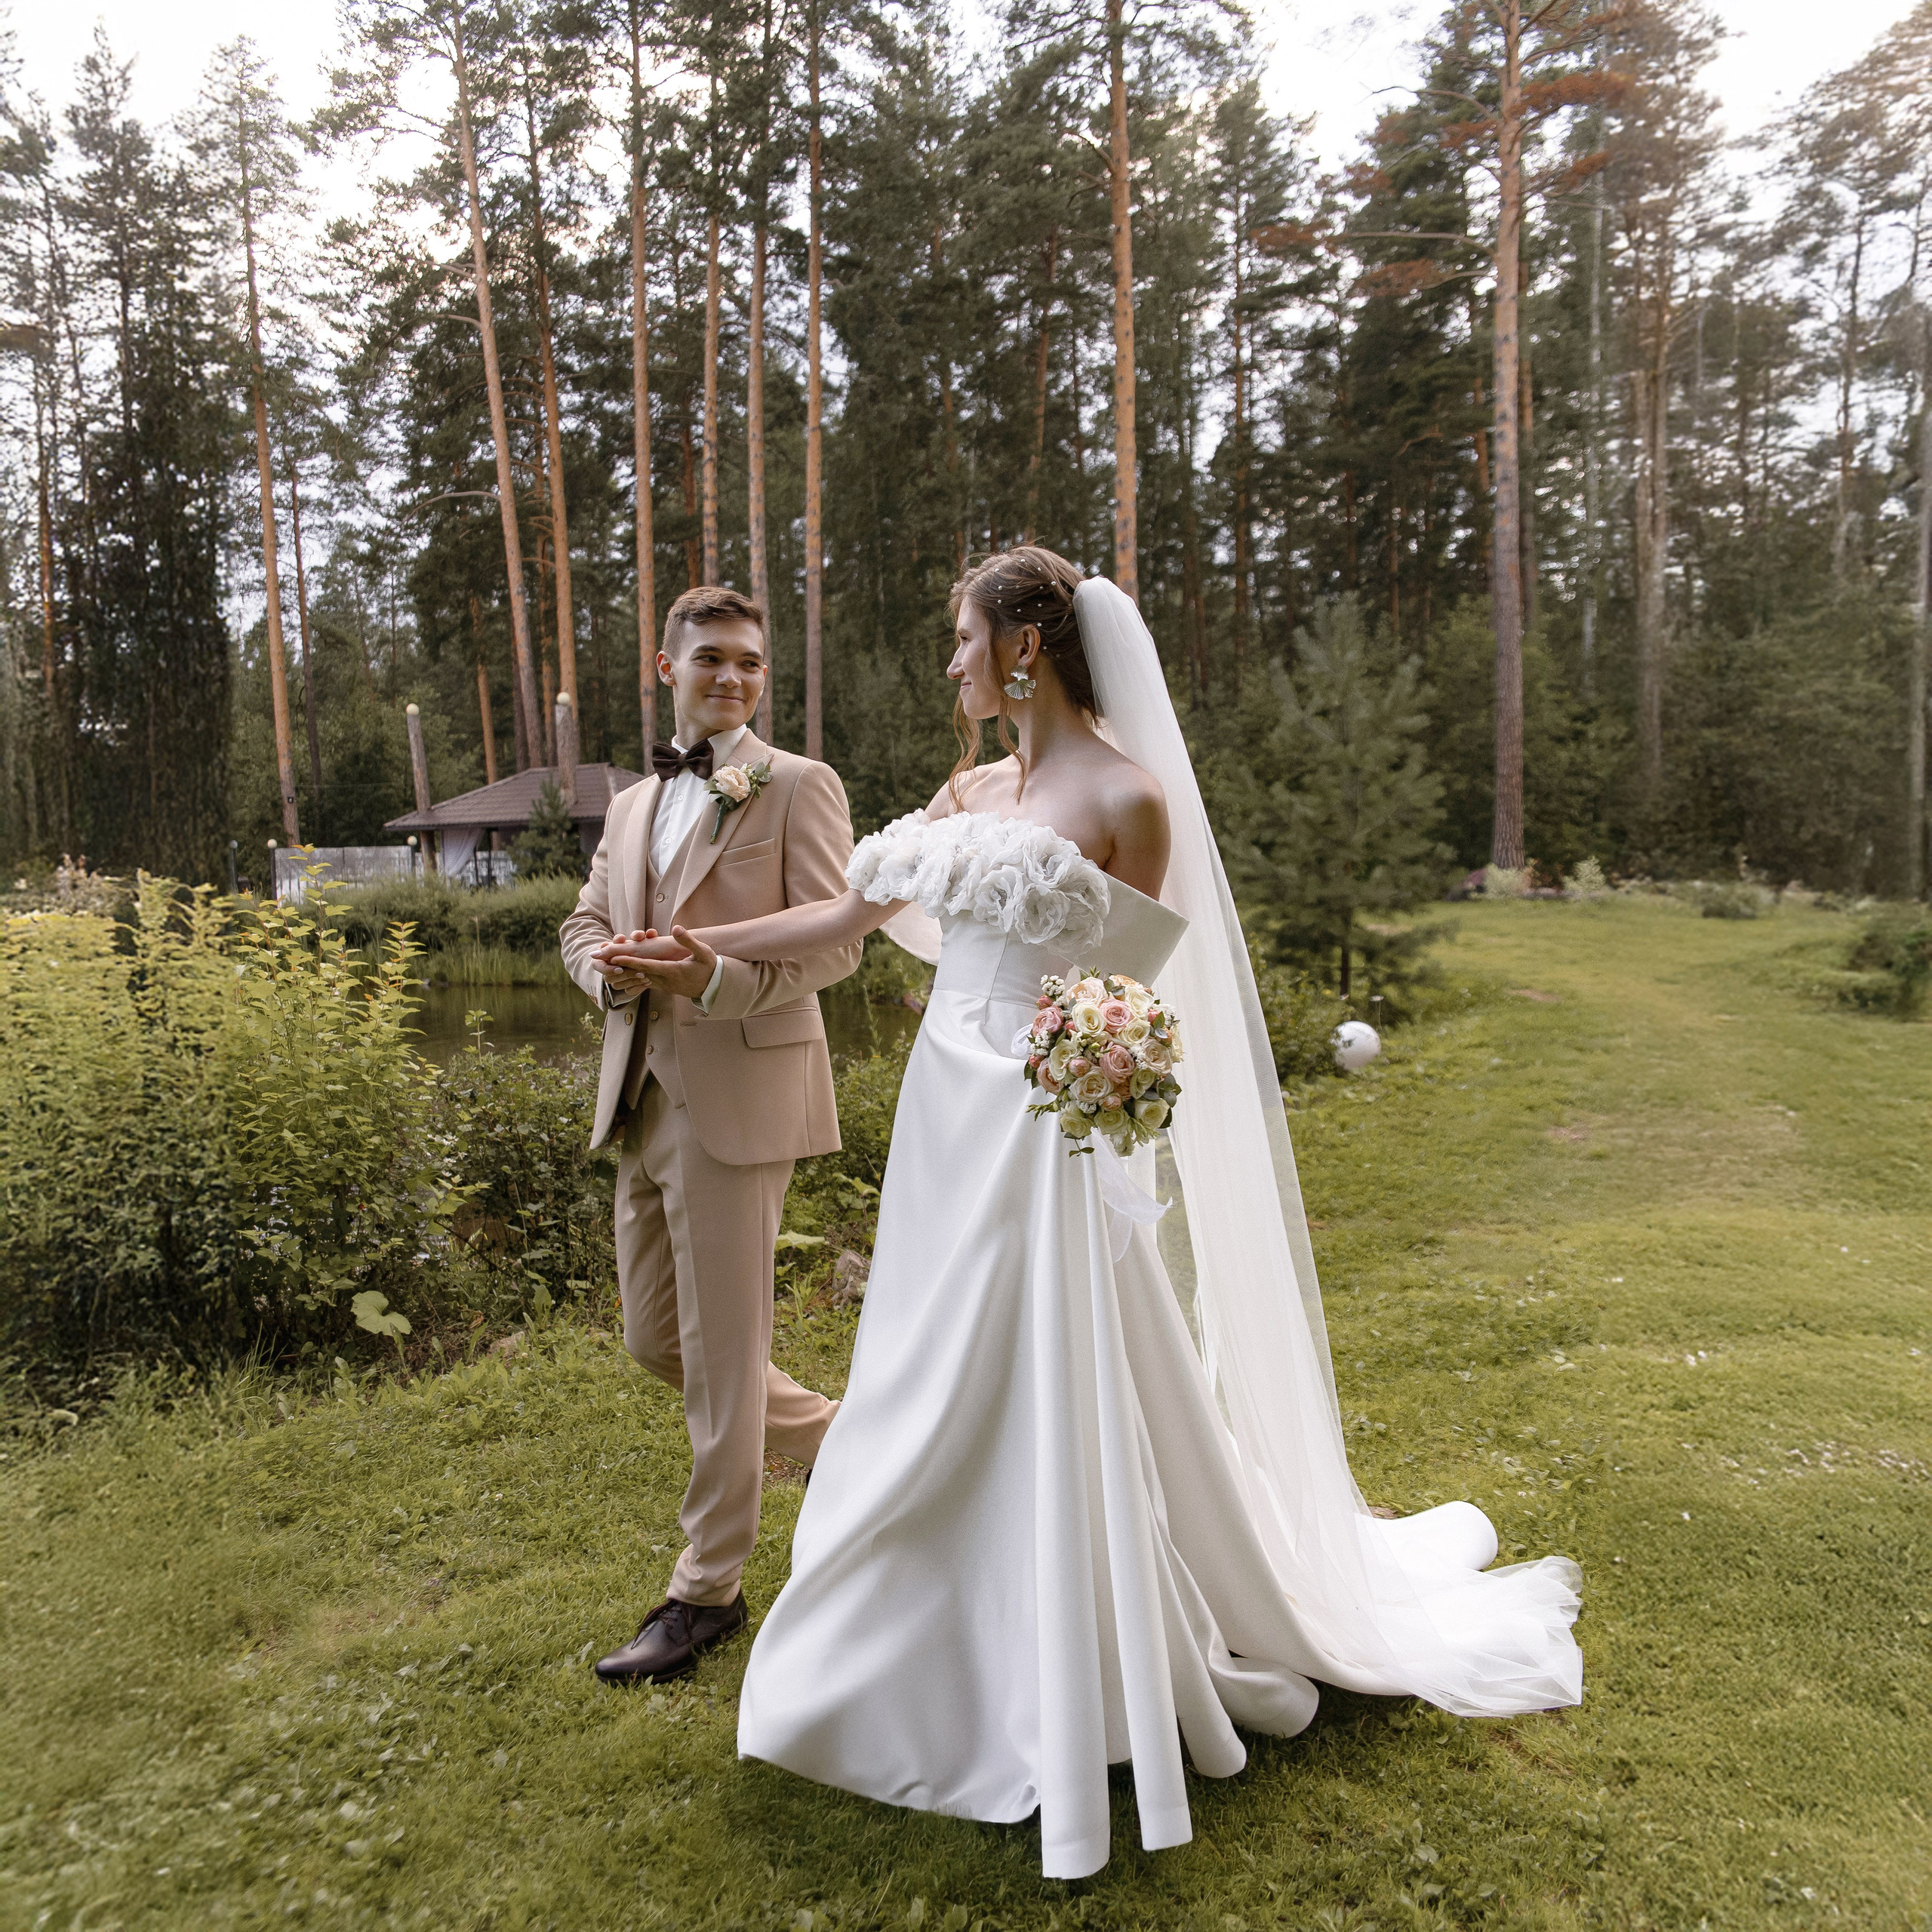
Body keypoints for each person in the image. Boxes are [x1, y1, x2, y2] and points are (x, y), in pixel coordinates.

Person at [616, 549, 1584, 1880]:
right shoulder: (973, 788)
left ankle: (1065, 1643)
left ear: (1024, 646)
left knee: (1026, 1374)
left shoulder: (1131, 796)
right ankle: (905, 1634)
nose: (951, 664)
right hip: (943, 1124)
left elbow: (1134, 993)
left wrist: (1094, 1079)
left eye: (963, 640)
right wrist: (705, 951)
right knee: (921, 1366)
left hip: (1035, 1125)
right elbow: (846, 909)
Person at [560, 584, 860, 1687]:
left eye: (749, 662)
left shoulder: (798, 785)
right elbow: (584, 921)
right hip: (639, 1095)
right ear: (666, 667)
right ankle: (848, 1442)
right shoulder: (633, 804)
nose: (732, 677)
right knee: (657, 1339)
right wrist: (604, 973)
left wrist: (716, 980)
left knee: (725, 1362)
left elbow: (836, 945)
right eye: (710, 659)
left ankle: (708, 1592)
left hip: (740, 1093)